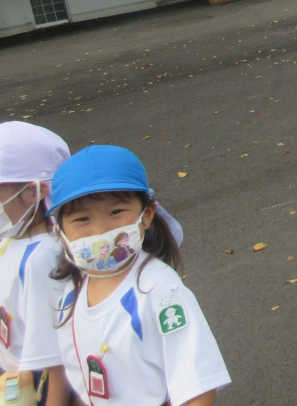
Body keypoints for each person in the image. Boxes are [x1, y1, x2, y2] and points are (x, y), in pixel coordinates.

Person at [48, 144, 231, 405]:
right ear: (60, 230)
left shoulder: (160, 290)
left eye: (115, 212)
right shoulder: (72, 293)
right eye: (82, 219)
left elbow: (198, 386)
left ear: (146, 215)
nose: (100, 230)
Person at [0, 123, 73, 406]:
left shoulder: (42, 259)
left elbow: (58, 362)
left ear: (35, 192)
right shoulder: (11, 239)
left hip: (34, 389)